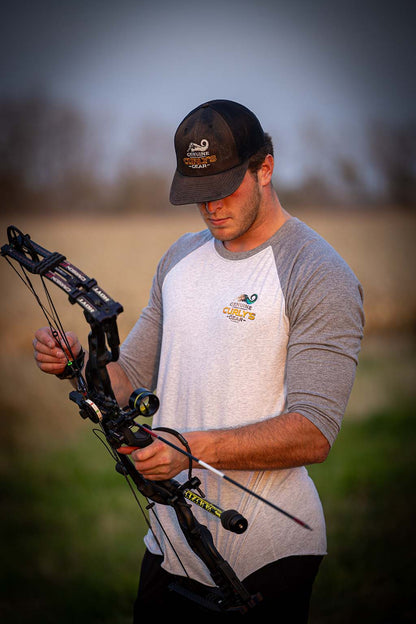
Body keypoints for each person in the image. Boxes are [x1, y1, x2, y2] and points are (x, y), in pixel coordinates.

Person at [33, 99, 364, 621]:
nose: (211, 206)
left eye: (224, 188)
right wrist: (79, 364)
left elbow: (314, 432)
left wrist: (188, 449)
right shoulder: (180, 258)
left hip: (266, 555)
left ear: (265, 168)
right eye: (197, 193)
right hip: (171, 544)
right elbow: (132, 376)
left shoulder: (317, 272)